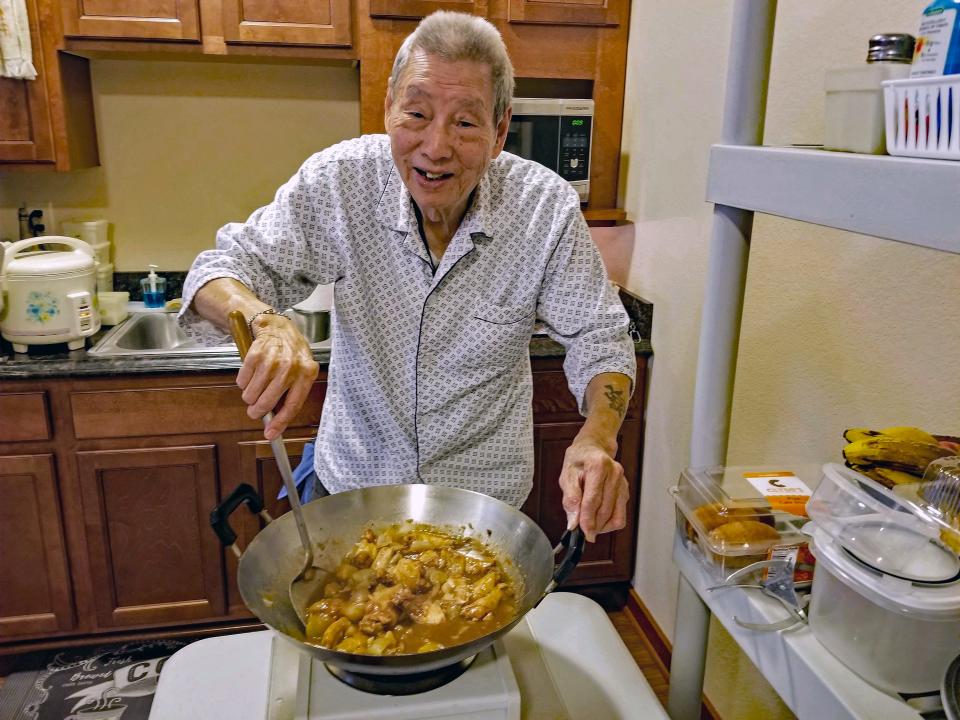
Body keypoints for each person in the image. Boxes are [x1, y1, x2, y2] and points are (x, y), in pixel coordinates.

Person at [179, 11, 636, 543]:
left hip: (480, 511)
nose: (436, 146)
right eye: (416, 113)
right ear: (389, 107)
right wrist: (265, 321)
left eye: (465, 122)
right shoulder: (340, 182)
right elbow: (217, 270)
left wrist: (597, 440)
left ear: (500, 130)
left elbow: (599, 337)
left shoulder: (544, 208)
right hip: (353, 493)